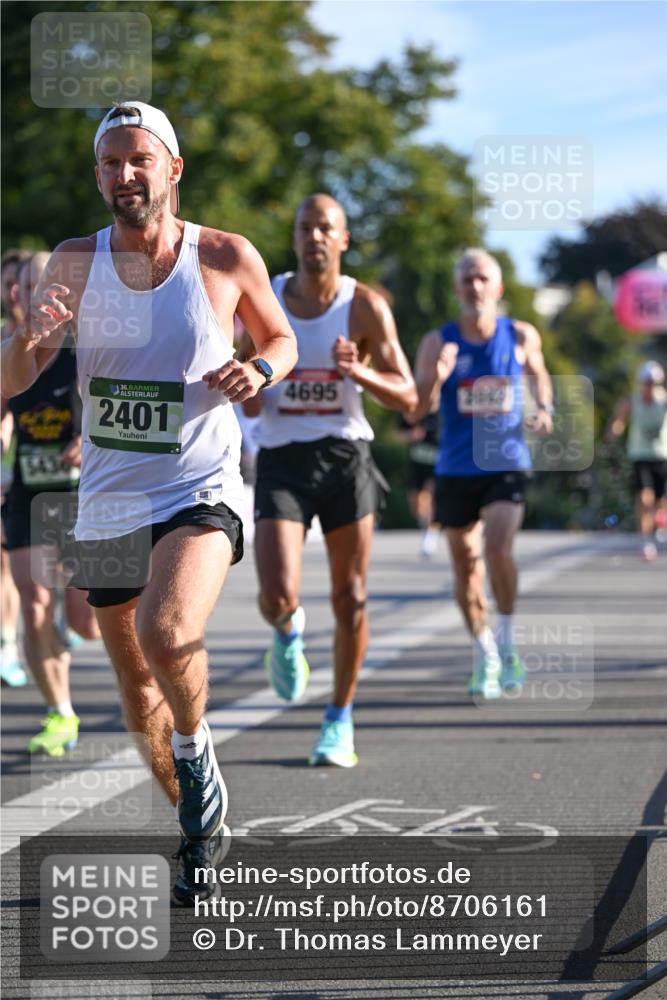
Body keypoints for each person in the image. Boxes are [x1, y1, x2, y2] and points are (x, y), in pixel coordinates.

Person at [2, 102, 297, 904]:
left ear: (172, 168)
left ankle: (198, 752)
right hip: (106, 498)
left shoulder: (226, 254)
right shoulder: (73, 261)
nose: (123, 175)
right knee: (135, 692)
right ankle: (200, 829)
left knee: (169, 634)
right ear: (97, 175)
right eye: (109, 163)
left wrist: (259, 372)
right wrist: (32, 335)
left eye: (138, 159)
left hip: (197, 482)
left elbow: (280, 338)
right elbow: (13, 378)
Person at [245, 193, 416, 767]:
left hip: (345, 456)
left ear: (343, 239)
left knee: (353, 596)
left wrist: (358, 370)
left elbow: (410, 396)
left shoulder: (363, 306)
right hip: (282, 459)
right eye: (305, 228)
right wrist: (248, 388)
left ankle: (339, 719)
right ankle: (288, 632)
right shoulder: (266, 296)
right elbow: (244, 383)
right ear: (294, 238)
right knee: (276, 595)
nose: (315, 236)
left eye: (326, 228)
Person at [410, 248, 554, 699]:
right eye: (467, 279)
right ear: (457, 289)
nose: (475, 286)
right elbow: (417, 407)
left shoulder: (520, 334)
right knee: (464, 569)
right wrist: (437, 376)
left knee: (497, 549)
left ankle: (508, 640)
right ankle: (485, 650)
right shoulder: (439, 342)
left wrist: (544, 408)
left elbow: (539, 375)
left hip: (506, 463)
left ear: (498, 288)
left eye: (483, 278)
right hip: (455, 468)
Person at [3, 251, 100, 754]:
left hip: (85, 497)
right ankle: (60, 712)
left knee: (87, 620)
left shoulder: (90, 347)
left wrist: (90, 439)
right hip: (27, 496)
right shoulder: (8, 349)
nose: (25, 293)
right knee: (34, 605)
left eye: (36, 283)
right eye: (18, 285)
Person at [1, 248, 32, 687]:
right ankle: (8, 642)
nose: (12, 293)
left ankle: (62, 625)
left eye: (19, 283)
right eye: (6, 284)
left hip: (59, 474)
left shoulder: (71, 341)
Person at [606, 360, 667, 561]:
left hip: (661, 455)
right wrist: (614, 431)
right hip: (640, 455)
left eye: (654, 382)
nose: (650, 386)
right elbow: (619, 421)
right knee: (644, 498)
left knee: (660, 501)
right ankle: (646, 541)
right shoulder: (632, 400)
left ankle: (659, 523)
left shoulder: (664, 400)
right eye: (647, 382)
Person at [398, 410, 441, 557]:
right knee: (416, 505)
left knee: (431, 497)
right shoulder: (412, 408)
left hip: (436, 464)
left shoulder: (443, 409)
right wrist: (411, 435)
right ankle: (425, 526)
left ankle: (431, 535)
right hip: (417, 463)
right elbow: (399, 431)